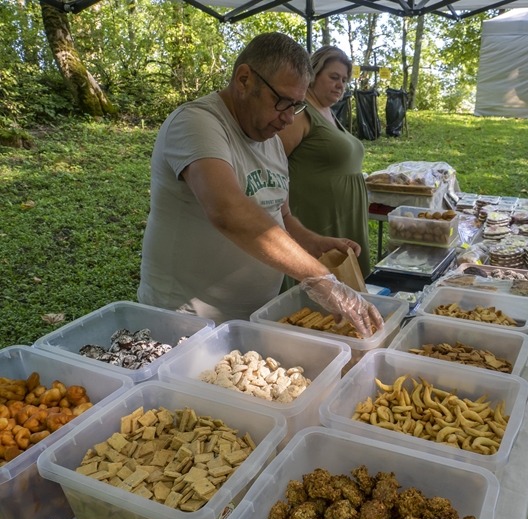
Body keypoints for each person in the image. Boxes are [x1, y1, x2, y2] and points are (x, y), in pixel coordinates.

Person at [138, 32, 383, 337]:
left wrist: (313, 242)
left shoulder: (270, 138)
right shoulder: (196, 123)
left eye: (296, 106)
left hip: (255, 315)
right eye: (282, 101)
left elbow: (281, 216)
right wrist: (319, 277)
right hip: (189, 320)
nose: (288, 119)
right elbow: (227, 210)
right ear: (244, 80)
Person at [278, 45, 371, 278]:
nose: (341, 84)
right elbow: (272, 162)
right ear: (313, 75)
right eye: (334, 77)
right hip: (317, 221)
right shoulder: (301, 114)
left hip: (343, 217)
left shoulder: (327, 112)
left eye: (344, 80)